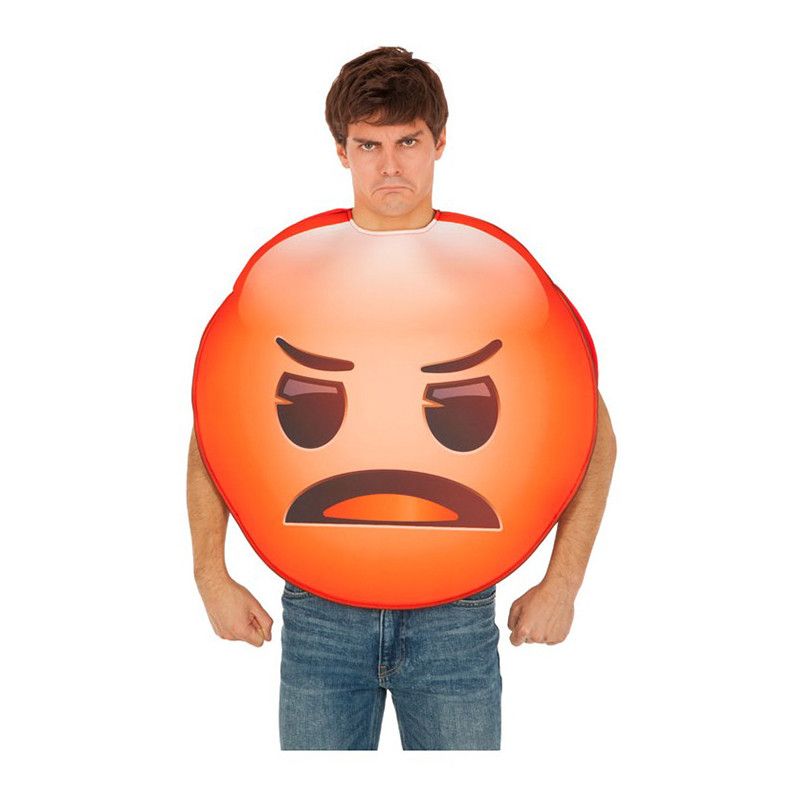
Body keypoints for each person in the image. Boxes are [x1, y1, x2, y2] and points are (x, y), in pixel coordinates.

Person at [186, 45, 617, 750]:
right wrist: (212, 575)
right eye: (369, 145)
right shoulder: (296, 278)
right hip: (319, 615)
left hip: (457, 617)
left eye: (408, 142)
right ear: (341, 151)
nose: (389, 166)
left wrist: (562, 583)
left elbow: (590, 432)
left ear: (440, 142)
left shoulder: (492, 279)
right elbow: (217, 427)